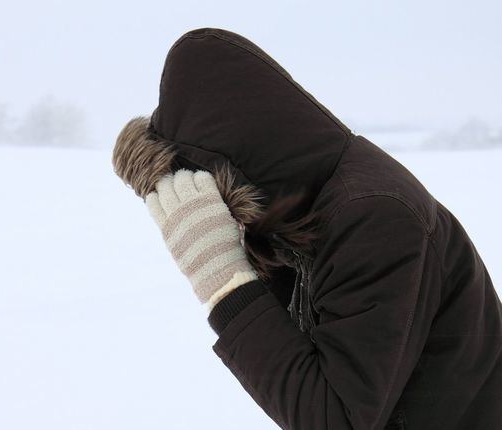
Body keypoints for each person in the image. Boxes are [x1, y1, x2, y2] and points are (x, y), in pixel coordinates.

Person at [111, 27, 502, 430]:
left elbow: (334, 419)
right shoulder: (303, 209)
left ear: (230, 174)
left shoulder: (373, 219)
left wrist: (227, 285)